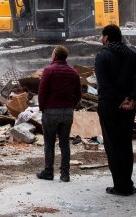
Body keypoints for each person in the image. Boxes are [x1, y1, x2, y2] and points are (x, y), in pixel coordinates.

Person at [94, 24, 136, 196]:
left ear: (107, 37)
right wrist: (131, 98)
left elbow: (104, 84)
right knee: (125, 143)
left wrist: (119, 100)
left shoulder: (102, 56)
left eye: (103, 36)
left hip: (110, 105)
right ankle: (128, 183)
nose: (102, 39)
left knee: (113, 145)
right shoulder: (132, 54)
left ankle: (120, 186)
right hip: (128, 107)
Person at [37, 45, 82, 182]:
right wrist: (71, 107)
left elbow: (42, 92)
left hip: (51, 111)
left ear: (55, 56)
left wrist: (42, 108)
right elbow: (79, 94)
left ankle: (49, 172)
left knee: (49, 143)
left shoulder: (49, 70)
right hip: (67, 112)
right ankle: (65, 174)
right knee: (64, 143)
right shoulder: (73, 72)